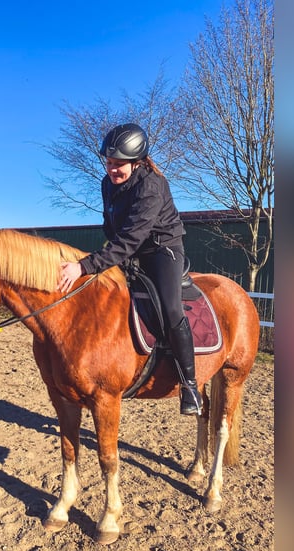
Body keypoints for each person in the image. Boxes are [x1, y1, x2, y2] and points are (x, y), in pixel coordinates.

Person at [57, 123, 201, 415]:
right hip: (128, 249)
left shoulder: (152, 185)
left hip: (162, 249)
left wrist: (85, 266)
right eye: (108, 162)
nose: (112, 169)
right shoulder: (107, 184)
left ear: (137, 162)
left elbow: (132, 236)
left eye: (119, 164)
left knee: (172, 308)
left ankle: (190, 385)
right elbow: (113, 229)